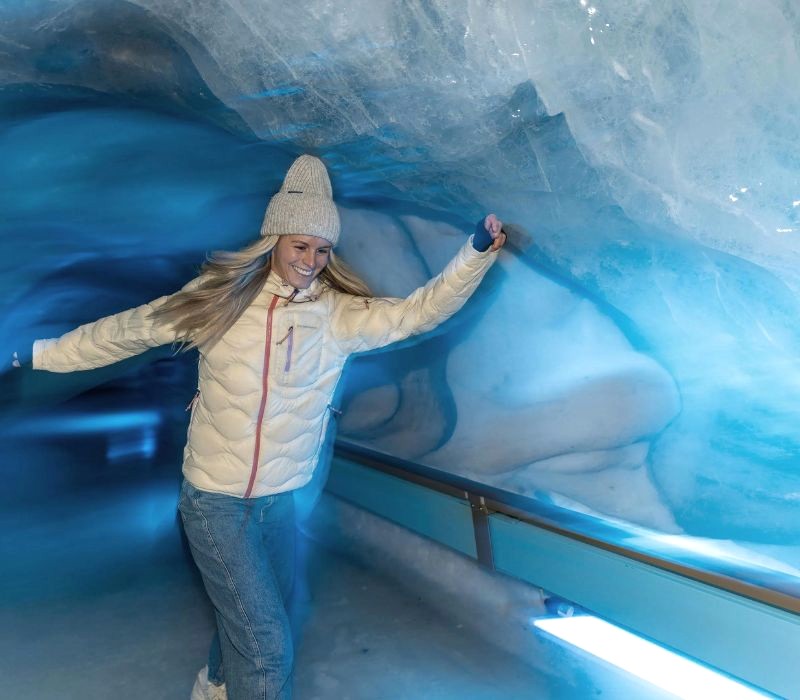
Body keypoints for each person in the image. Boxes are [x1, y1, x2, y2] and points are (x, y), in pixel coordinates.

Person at [17, 154, 506, 700]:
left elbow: (419, 312)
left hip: (279, 501)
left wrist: (474, 254)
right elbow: (124, 331)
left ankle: (215, 687)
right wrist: (38, 355)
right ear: (273, 240)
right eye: (301, 246)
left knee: (253, 622)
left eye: (322, 250)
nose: (311, 260)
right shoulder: (218, 304)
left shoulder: (339, 318)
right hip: (214, 501)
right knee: (267, 644)